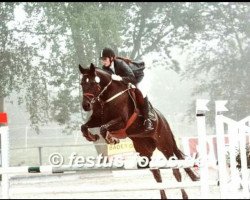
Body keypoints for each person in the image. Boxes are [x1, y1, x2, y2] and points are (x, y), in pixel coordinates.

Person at [100, 47, 154, 132]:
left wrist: (120, 78)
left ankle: (147, 120)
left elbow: (132, 78)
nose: (103, 61)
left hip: (137, 78)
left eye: (104, 59)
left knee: (141, 91)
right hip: (125, 81)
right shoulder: (105, 68)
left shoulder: (120, 63)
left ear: (111, 58)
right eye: (101, 59)